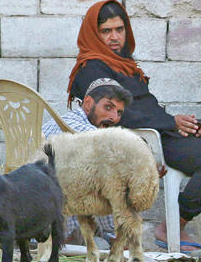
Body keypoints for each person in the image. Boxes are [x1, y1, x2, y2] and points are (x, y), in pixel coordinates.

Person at [68, 0, 201, 253]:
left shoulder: (124, 64)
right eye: (106, 31)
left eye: (119, 29)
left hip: (164, 133)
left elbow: (145, 108)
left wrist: (183, 126)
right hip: (145, 141)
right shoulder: (92, 68)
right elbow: (117, 116)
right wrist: (171, 123)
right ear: (94, 33)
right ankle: (171, 227)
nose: (114, 37)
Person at [43, 77, 133, 244]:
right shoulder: (71, 123)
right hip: (42, 208)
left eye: (119, 112)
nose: (114, 117)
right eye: (108, 107)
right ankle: (113, 237)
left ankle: (110, 236)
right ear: (88, 103)